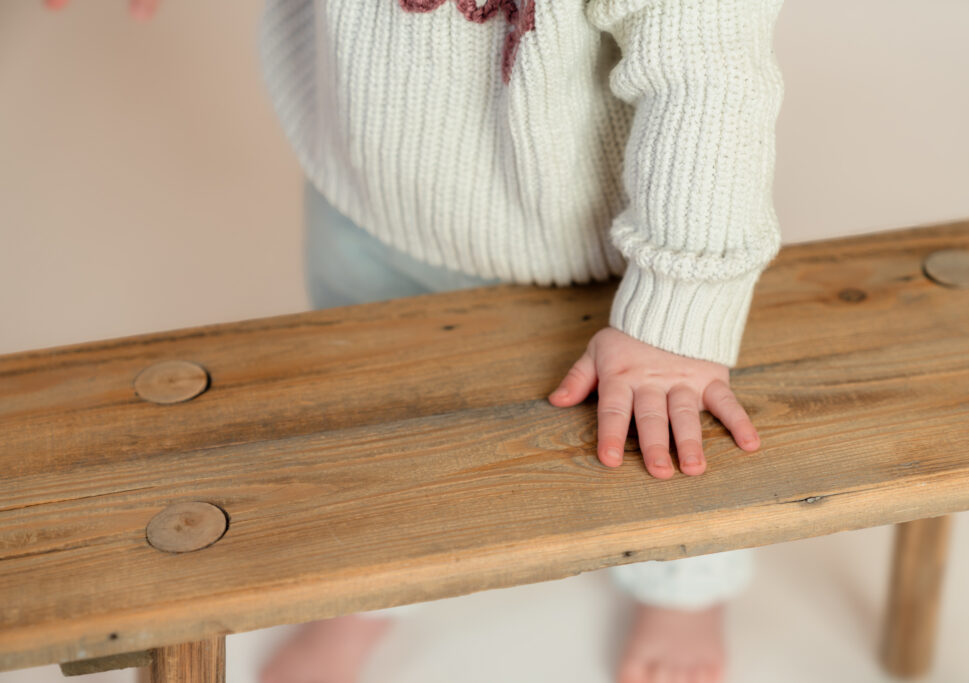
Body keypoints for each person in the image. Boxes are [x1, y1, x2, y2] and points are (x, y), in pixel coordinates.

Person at [47, 1, 785, 680]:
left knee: (656, 432)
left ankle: (682, 584)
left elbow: (709, 82)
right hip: (371, 195)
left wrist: (674, 314)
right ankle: (366, 590)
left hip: (589, 249)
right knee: (364, 419)